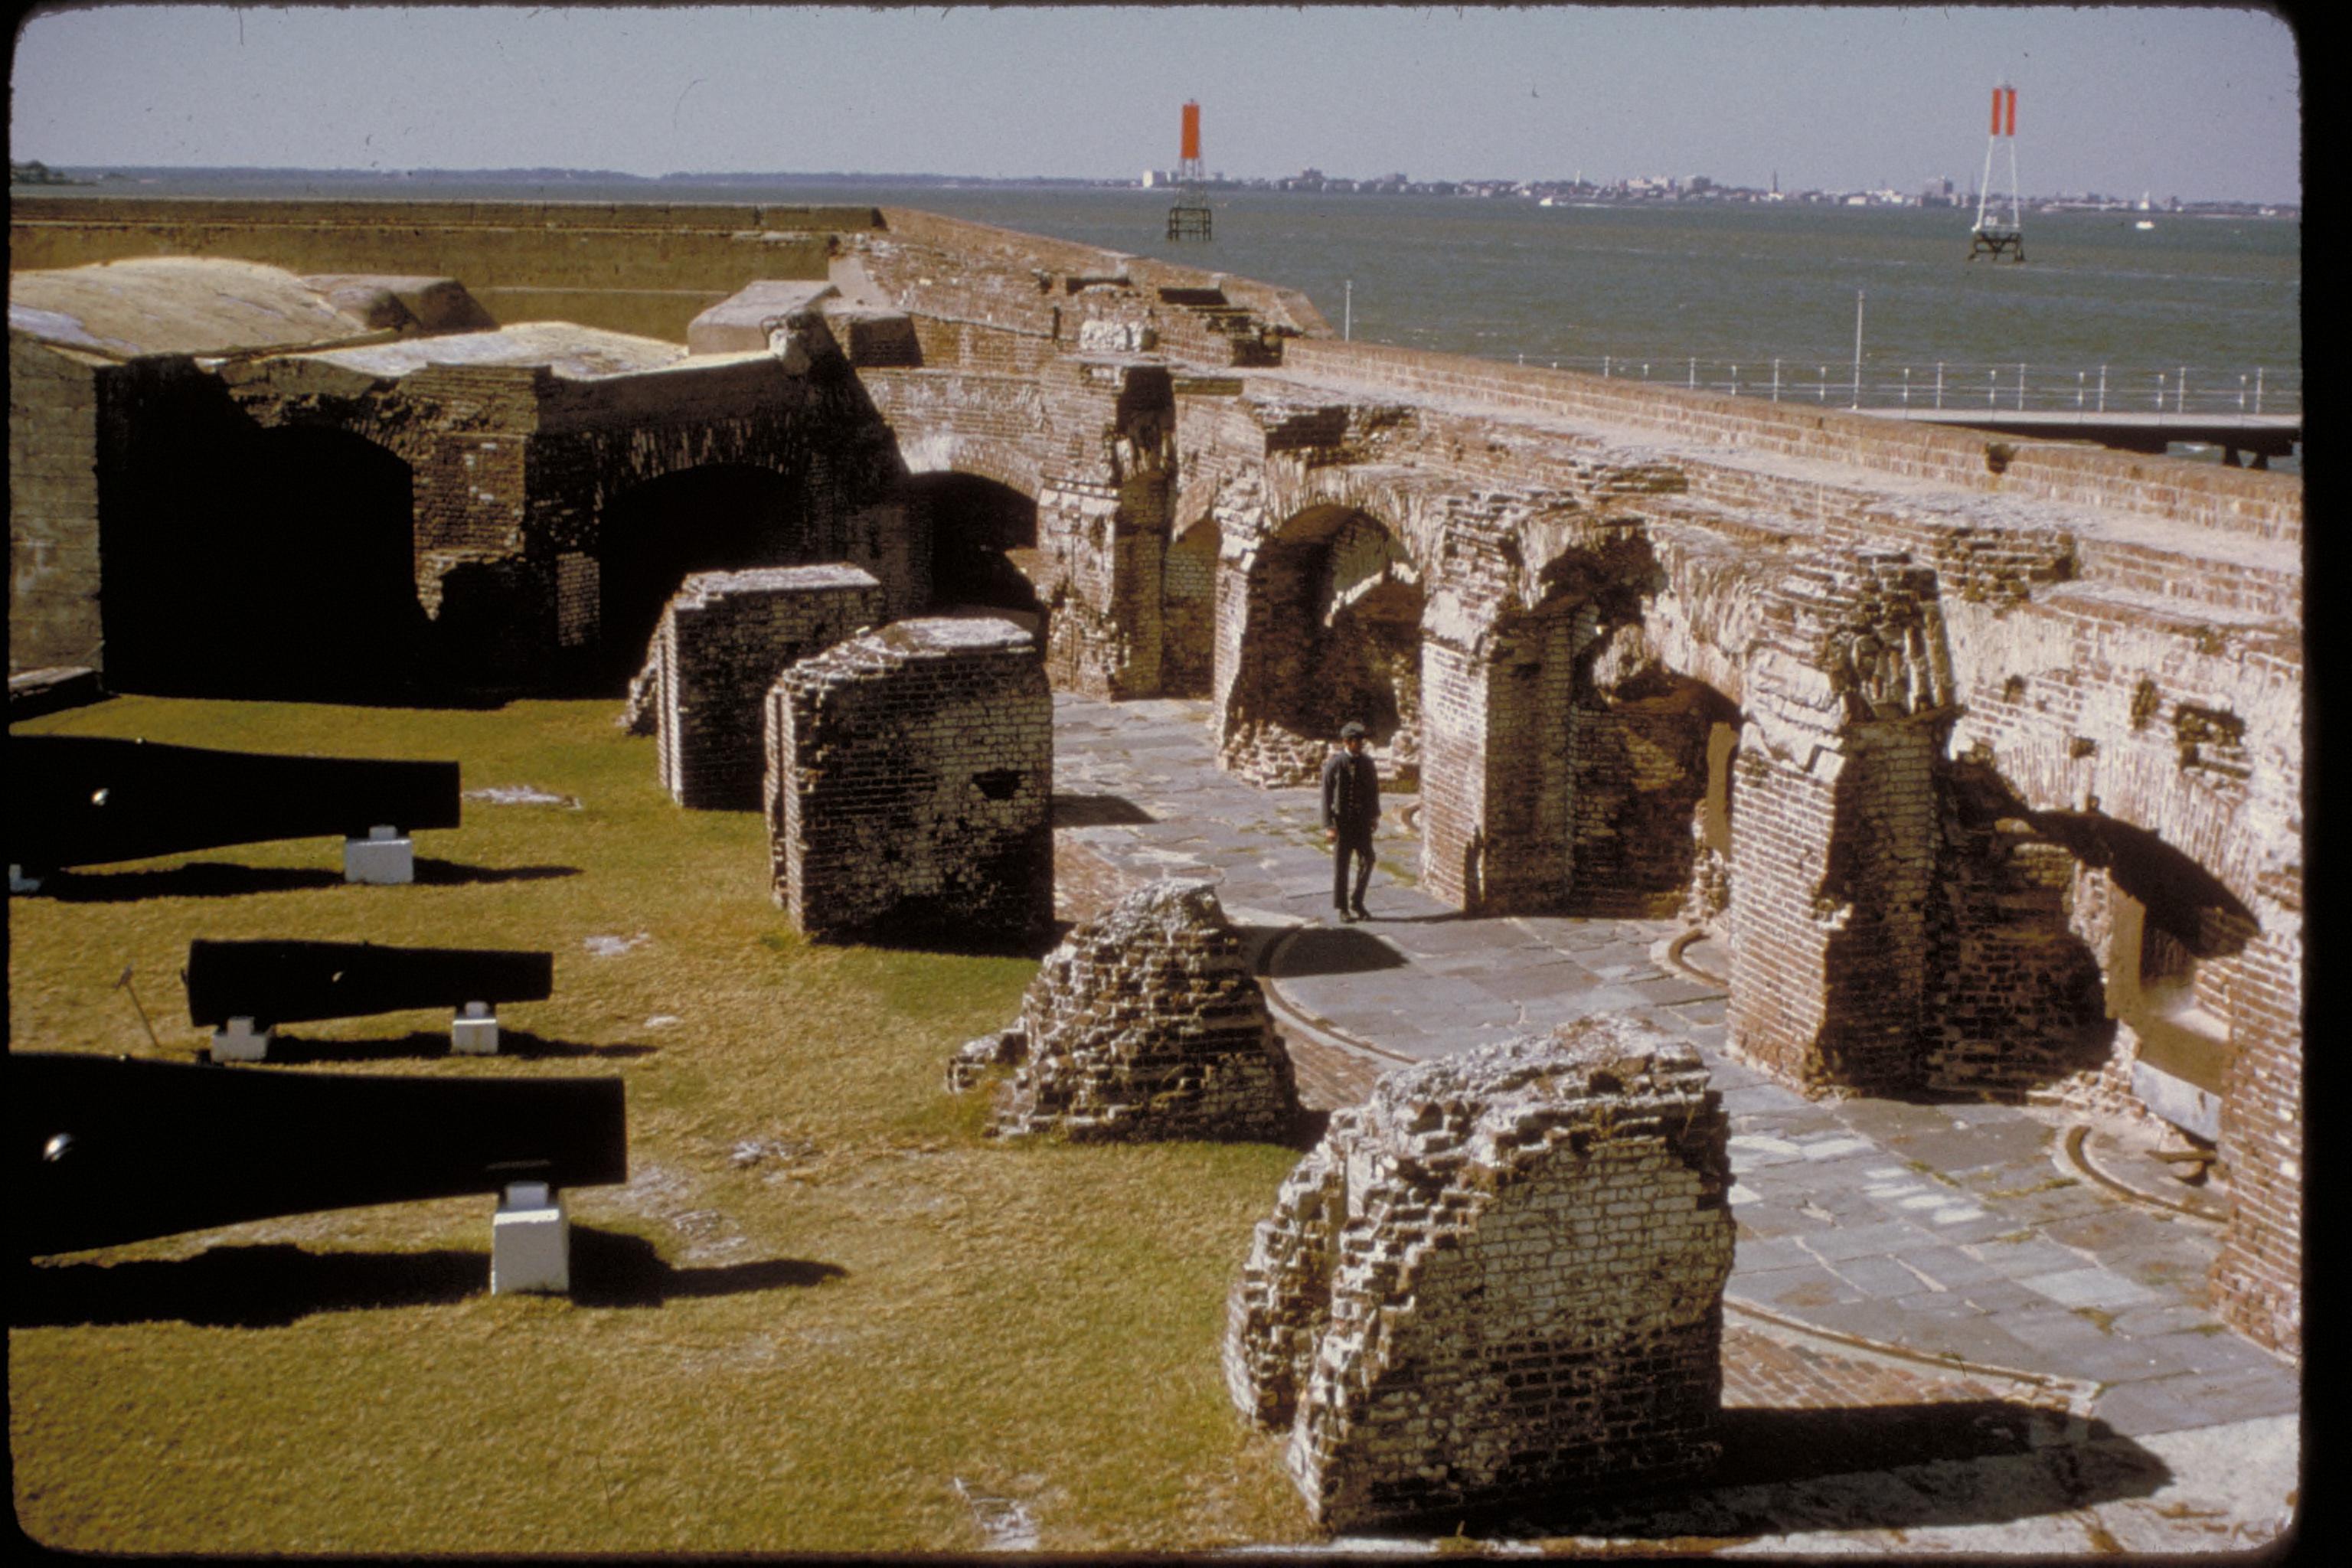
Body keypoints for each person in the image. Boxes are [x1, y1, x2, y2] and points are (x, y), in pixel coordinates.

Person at [1321, 720, 1380, 923]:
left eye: (1362, 740)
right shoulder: (1335, 764)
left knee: (1368, 859)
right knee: (1342, 866)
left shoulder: (1367, 763)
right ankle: (1343, 908)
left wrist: (1374, 816)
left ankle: (1358, 901)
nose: (1361, 744)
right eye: (1357, 741)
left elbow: (1373, 791)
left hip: (1362, 823)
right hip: (1343, 824)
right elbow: (1326, 796)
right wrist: (1329, 826)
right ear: (1347, 742)